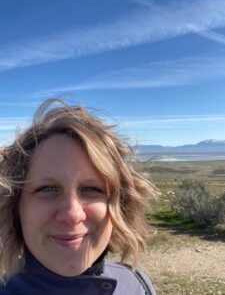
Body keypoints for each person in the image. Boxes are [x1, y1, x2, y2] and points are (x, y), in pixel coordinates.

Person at [0, 98, 157, 295]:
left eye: (91, 189)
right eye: (47, 189)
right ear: (15, 207)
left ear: (119, 204)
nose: (72, 214)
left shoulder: (137, 286)